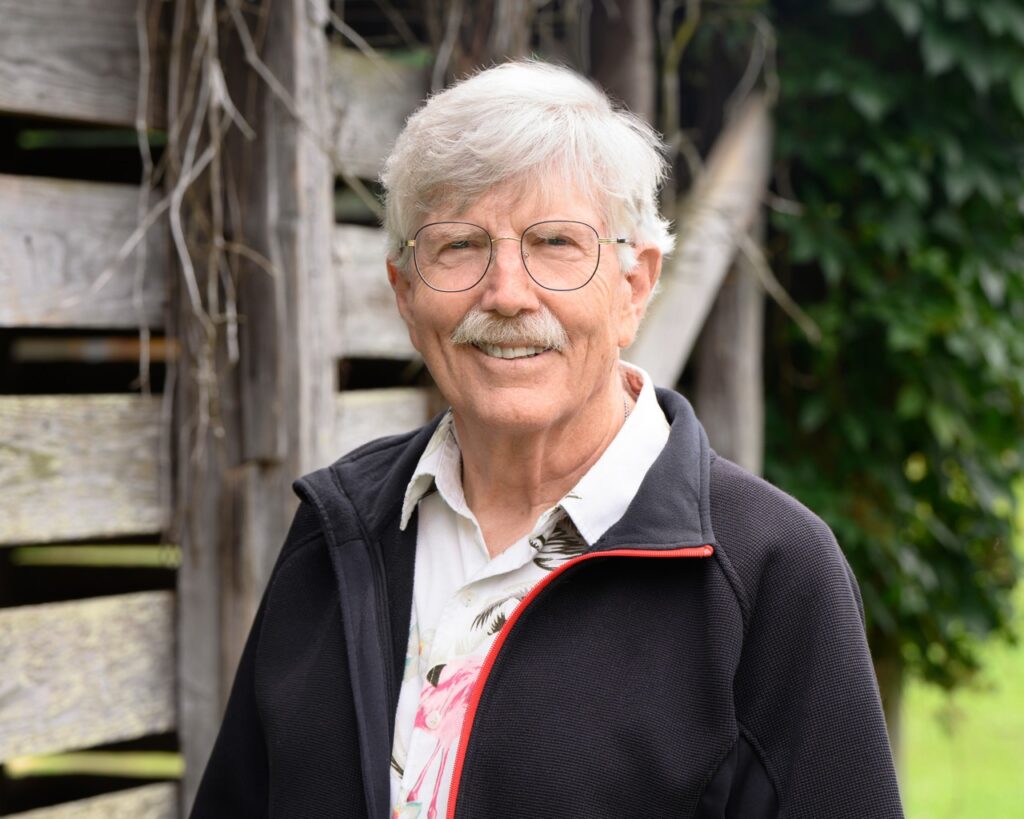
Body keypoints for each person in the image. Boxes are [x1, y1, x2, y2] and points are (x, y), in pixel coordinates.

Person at [190, 61, 903, 819]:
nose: (505, 293)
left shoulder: (770, 574)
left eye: (556, 242)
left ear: (633, 285)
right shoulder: (340, 531)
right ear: (405, 293)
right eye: (458, 245)